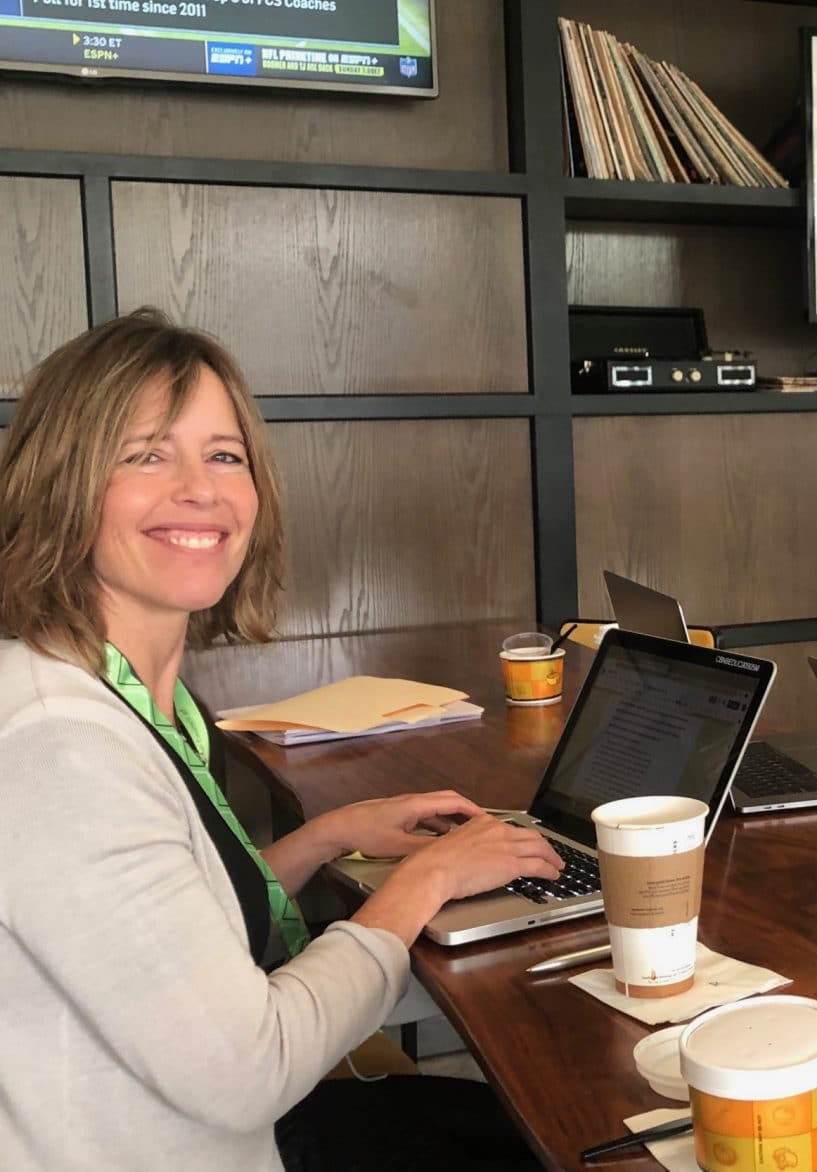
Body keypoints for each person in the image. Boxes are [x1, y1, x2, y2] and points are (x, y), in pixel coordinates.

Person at [0, 310, 563, 1170]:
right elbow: (250, 1066)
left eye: (224, 455)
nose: (200, 489)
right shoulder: (58, 747)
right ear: (61, 483)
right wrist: (424, 882)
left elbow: (176, 917)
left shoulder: (125, 693)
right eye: (145, 453)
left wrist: (328, 837)